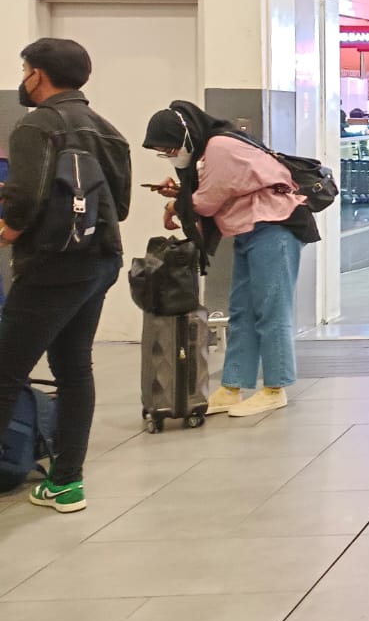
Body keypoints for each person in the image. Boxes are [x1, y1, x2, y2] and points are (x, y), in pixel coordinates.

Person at [0, 39, 130, 513]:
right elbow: (120, 204)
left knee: (5, 370)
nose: (23, 78)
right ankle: (66, 482)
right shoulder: (108, 130)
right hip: (99, 262)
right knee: (74, 368)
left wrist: (10, 230)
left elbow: (27, 200)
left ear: (38, 74)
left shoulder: (36, 125)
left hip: (50, 267)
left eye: (25, 69)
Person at [144, 102, 319, 418]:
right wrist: (180, 198)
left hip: (275, 227)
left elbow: (209, 201)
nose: (171, 155)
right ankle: (233, 386)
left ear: (185, 134)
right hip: (250, 229)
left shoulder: (220, 146)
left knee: (271, 309)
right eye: (163, 152)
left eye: (170, 148)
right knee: (242, 310)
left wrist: (177, 206)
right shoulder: (211, 148)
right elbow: (214, 192)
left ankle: (274, 388)